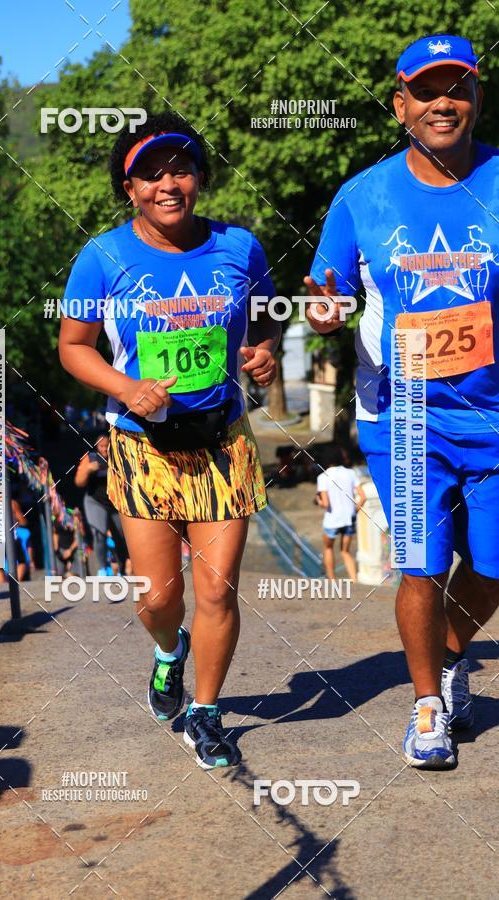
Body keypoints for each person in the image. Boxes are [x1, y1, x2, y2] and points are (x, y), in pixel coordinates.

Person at [59, 111, 280, 768]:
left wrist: (265, 354)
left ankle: (207, 713)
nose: (168, 183)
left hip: (222, 443)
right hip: (141, 446)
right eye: (150, 173)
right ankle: (167, 652)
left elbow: (265, 323)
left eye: (180, 168)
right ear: (128, 187)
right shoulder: (102, 258)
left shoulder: (241, 248)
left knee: (217, 590)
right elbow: (74, 348)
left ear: (200, 177)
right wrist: (126, 389)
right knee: (159, 597)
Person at [305, 34, 499, 769]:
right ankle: (426, 706)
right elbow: (329, 297)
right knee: (420, 564)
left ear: (477, 98)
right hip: (405, 414)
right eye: (426, 91)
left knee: (492, 564)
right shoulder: (363, 196)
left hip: (494, 411)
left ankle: (448, 657)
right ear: (400, 107)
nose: (442, 102)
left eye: (457, 88)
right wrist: (323, 314)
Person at [74, 433, 128, 576]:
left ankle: (122, 569)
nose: (104, 449)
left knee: (121, 537)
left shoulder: (117, 456)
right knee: (99, 533)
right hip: (95, 501)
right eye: (101, 446)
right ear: (97, 447)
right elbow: (79, 482)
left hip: (115, 503)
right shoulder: (90, 458)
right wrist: (88, 470)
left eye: (107, 446)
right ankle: (104, 568)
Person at [316, 446, 366, 581]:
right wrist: (354, 511)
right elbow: (363, 496)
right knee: (345, 551)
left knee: (328, 548)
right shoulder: (351, 473)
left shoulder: (323, 477)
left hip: (332, 520)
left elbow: (325, 504)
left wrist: (318, 501)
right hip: (349, 518)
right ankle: (355, 581)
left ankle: (332, 581)